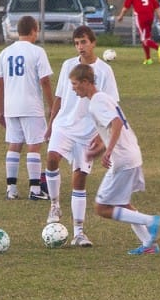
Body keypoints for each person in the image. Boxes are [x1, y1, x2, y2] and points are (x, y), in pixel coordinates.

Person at [69, 62, 160, 256]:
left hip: (122, 160)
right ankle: (149, 244)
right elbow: (111, 128)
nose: (73, 88)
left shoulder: (96, 102)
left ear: (86, 82)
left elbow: (117, 123)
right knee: (123, 204)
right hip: (131, 155)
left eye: (75, 84)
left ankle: (150, 221)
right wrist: (98, 149)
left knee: (102, 208)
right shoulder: (103, 98)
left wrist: (108, 152)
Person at [43, 25, 119, 246]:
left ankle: (78, 232)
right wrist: (50, 124)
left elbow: (111, 106)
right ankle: (55, 204)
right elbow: (58, 98)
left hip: (87, 132)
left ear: (93, 43)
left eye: (84, 42)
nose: (80, 47)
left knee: (79, 179)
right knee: (52, 158)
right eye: (76, 43)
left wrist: (100, 134)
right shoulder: (68, 65)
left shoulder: (104, 71)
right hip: (63, 125)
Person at [0, 14, 53, 201]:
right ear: (34, 30)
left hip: (11, 106)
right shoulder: (37, 52)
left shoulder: (5, 53)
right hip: (31, 106)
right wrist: (52, 107)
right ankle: (35, 190)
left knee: (14, 145)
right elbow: (44, 81)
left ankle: (11, 188)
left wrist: (1, 110)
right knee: (33, 146)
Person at [116, 0, 160, 65]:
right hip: (150, 16)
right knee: (146, 36)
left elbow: (125, 7)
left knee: (144, 39)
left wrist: (120, 16)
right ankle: (148, 59)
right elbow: (157, 7)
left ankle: (158, 48)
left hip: (141, 17)